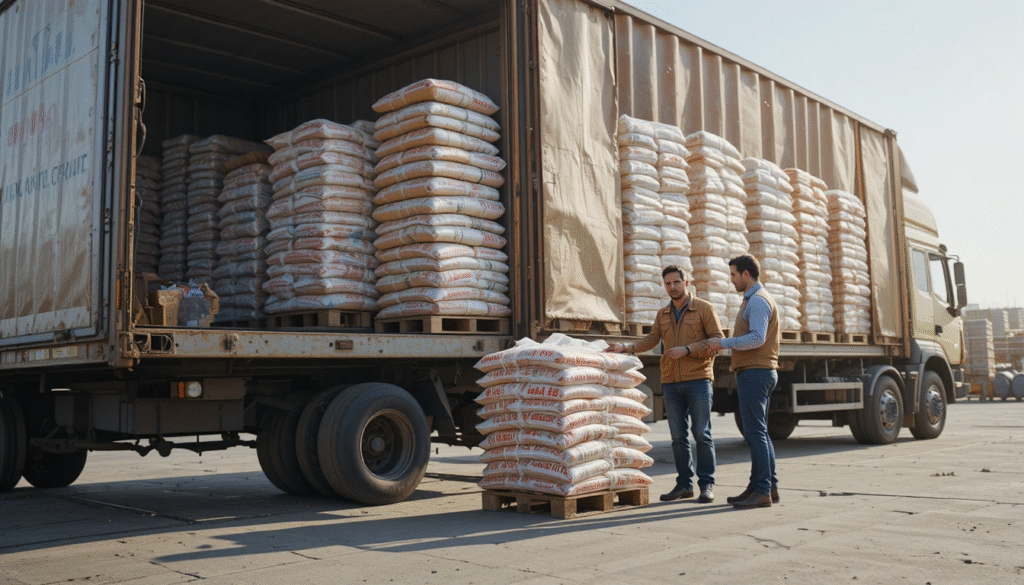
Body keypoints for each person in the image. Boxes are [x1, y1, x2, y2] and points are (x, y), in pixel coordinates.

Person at [607, 266, 723, 503]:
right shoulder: (663, 314)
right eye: (668, 283)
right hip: (671, 382)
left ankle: (707, 484)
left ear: (686, 282)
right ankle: (684, 485)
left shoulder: (703, 308)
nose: (672, 287)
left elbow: (717, 341)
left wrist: (688, 350)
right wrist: (624, 348)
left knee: (702, 434)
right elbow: (651, 340)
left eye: (676, 282)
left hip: (698, 379)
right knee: (677, 436)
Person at [704, 254, 781, 509]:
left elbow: (757, 338)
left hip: (755, 372)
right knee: (760, 433)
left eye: (734, 275)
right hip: (758, 371)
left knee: (755, 433)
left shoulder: (758, 301)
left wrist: (722, 343)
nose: (732, 280)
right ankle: (765, 485)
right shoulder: (753, 299)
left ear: (746, 274)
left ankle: (762, 491)